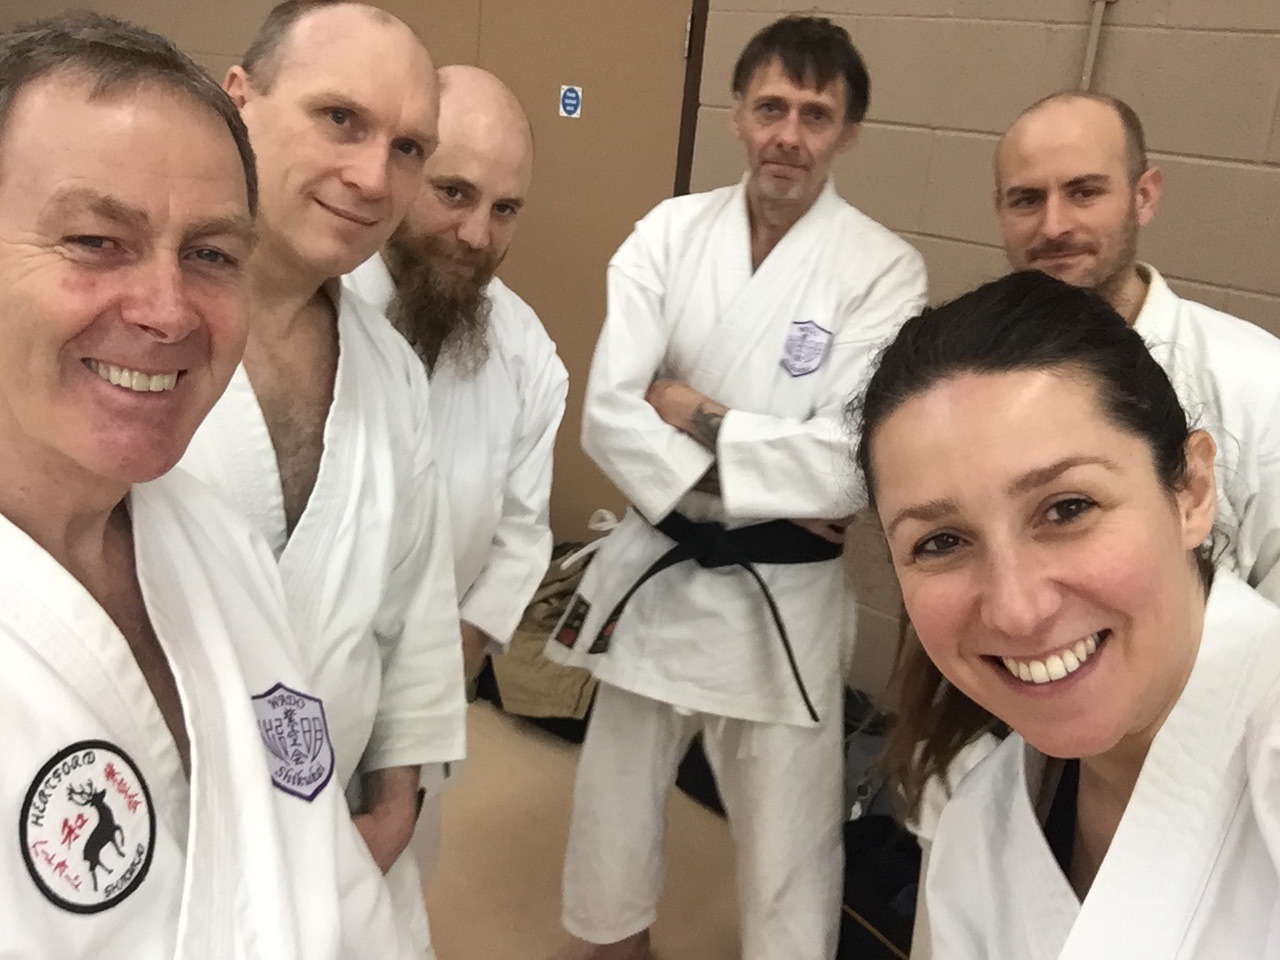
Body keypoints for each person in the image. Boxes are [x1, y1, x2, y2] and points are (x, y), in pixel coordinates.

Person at [0, 13, 413, 957]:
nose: (168, 311)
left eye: (212, 255)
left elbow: (325, 869)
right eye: (95, 239)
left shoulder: (218, 548)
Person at [546, 16, 927, 960]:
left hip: (782, 598)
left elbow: (847, 467)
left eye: (814, 115)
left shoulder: (883, 270)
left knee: (790, 843)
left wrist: (689, 408)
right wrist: (768, 465)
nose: (788, 135)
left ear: (847, 133)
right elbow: (609, 415)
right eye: (770, 108)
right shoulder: (667, 235)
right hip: (660, 571)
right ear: (736, 115)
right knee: (611, 811)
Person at [857, 270, 1280, 958]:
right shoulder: (979, 827)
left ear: (1192, 491)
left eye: (1068, 508)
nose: (1017, 611)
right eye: (941, 542)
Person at [178, 0, 465, 951]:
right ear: (240, 99)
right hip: (163, 833)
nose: (374, 177)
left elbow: (415, 605)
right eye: (341, 118)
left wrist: (398, 796)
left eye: (408, 147)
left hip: (343, 831)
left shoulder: (390, 373)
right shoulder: (133, 339)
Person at [995, 91, 1280, 600]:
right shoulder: (970, 377)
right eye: (1027, 199)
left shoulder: (1258, 381)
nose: (1054, 226)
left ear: (1143, 197)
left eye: (1085, 192)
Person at [347, 64, 568, 682]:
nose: (476, 235)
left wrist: (442, 684)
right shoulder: (313, 309)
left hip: (432, 681)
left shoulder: (525, 352)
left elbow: (520, 536)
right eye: (454, 193)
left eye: (505, 209)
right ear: (401, 169)